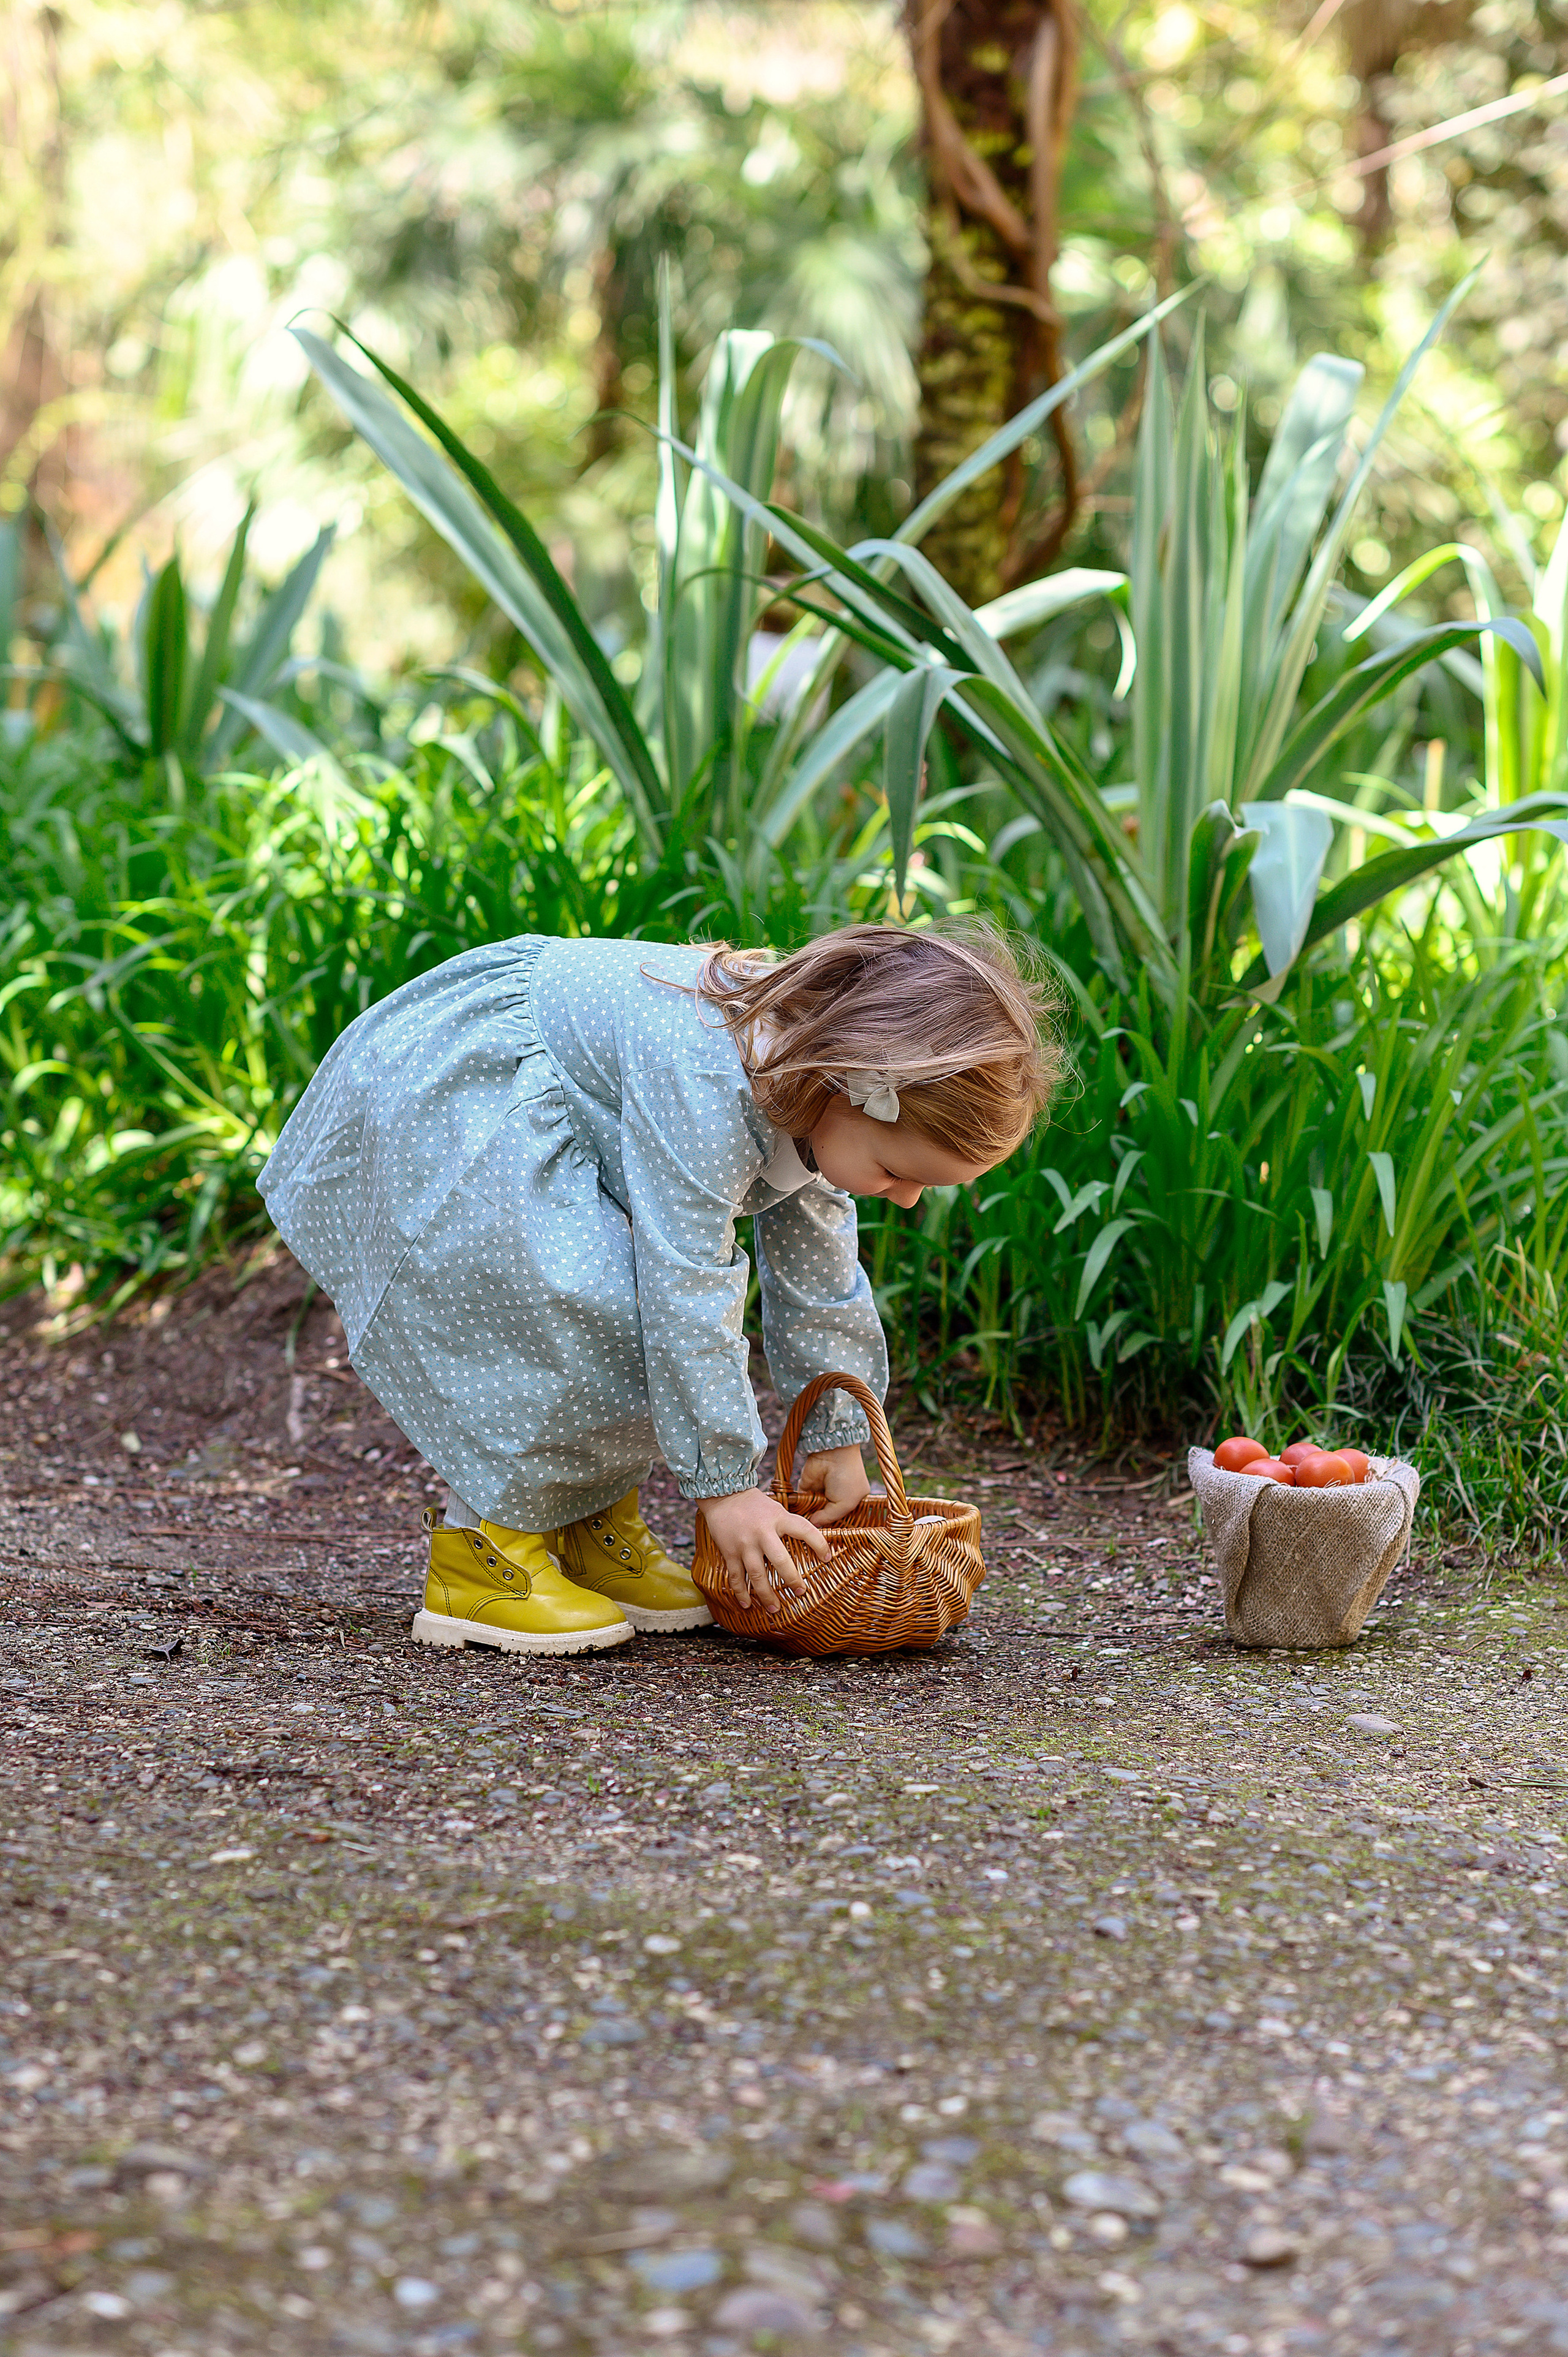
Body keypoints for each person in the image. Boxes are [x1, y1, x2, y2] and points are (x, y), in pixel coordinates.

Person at [258, 923, 1060, 1656]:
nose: (908, 1199)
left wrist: (836, 1436)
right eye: (898, 1173)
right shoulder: (711, 1079)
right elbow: (686, 1282)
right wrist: (725, 1490)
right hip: (472, 1091)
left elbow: (821, 1275)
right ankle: (481, 1556)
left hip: (569, 1121)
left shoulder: (819, 1087)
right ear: (854, 1086)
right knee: (588, 1302)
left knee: (639, 1305)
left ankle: (586, 1524)